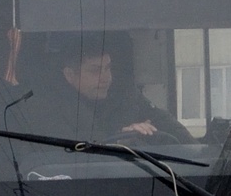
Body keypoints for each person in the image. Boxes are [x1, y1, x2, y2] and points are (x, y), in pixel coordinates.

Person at [30, 33, 193, 145]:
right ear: (69, 75)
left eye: (107, 68)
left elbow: (175, 133)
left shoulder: (126, 96)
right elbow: (69, 157)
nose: (106, 77)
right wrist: (120, 142)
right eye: (95, 70)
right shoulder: (46, 109)